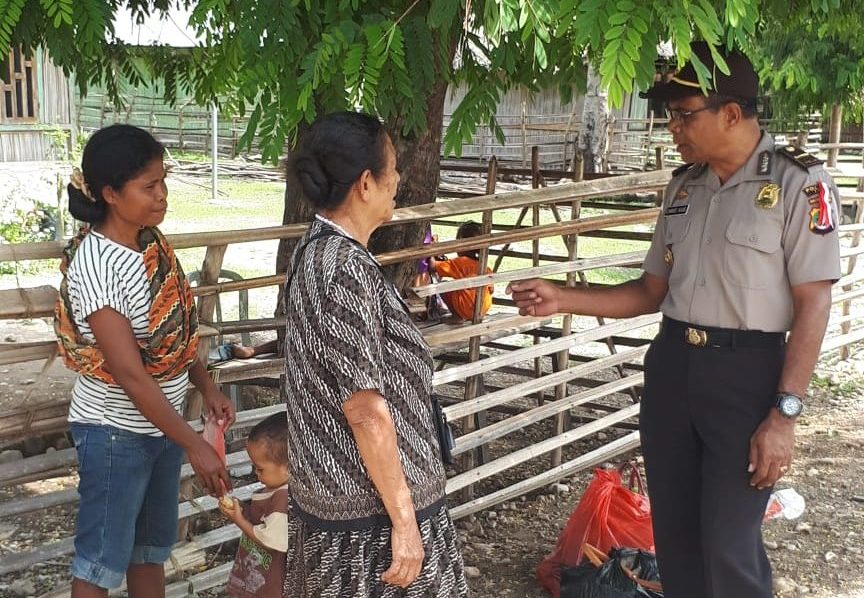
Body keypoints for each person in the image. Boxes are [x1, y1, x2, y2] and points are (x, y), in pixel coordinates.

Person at [508, 41, 840, 598]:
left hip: (748, 376)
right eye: (669, 116)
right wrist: (564, 298)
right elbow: (649, 291)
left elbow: (815, 302)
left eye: (685, 115)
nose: (672, 128)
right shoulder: (684, 187)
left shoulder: (797, 185)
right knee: (678, 539)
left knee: (728, 544)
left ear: (731, 113)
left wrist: (785, 413)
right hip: (673, 372)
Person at [283, 111, 468, 597]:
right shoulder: (342, 268)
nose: (399, 179)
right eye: (393, 168)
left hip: (348, 509)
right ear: (366, 183)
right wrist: (405, 522)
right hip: (366, 525)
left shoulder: (317, 252)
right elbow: (366, 410)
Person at [54, 124, 235, 598]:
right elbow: (131, 373)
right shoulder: (97, 265)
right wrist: (194, 444)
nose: (162, 196)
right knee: (99, 564)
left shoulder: (150, 244)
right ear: (111, 193)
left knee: (149, 552)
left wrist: (207, 386)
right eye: (148, 186)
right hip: (114, 433)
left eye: (163, 182)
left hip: (162, 429)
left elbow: (174, 336)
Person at [219, 412, 291, 597]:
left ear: (290, 467)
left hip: (270, 586)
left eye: (260, 469)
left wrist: (239, 520)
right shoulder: (272, 490)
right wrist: (242, 511)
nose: (256, 473)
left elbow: (271, 540)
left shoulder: (282, 498)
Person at [429, 220, 493, 321]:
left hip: (466, 309)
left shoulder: (459, 263)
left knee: (444, 285)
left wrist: (430, 249)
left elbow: (432, 266)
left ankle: (457, 316)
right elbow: (491, 289)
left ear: (461, 242)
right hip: (483, 309)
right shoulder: (485, 266)